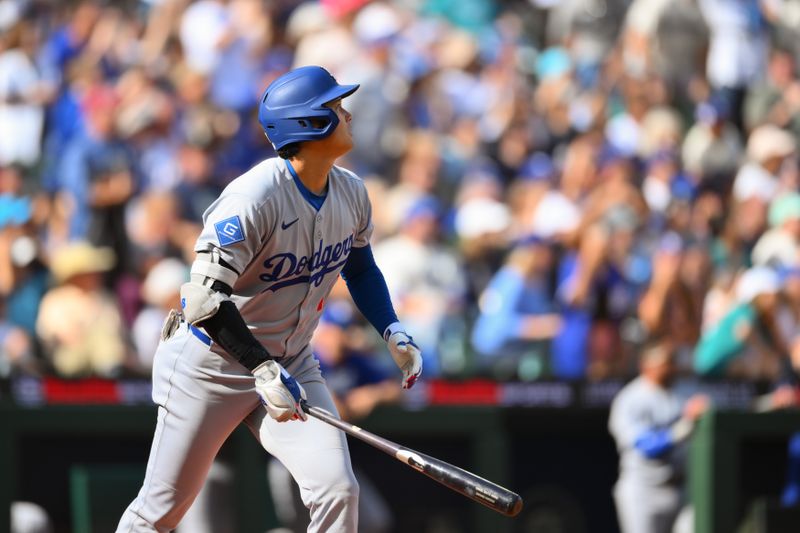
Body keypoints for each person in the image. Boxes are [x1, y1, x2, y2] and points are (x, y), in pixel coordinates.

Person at [115, 65, 422, 533]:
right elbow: (202, 301)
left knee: (338, 489)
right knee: (160, 511)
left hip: (292, 361)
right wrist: (259, 366)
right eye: (336, 107)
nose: (348, 113)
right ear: (310, 124)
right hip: (212, 365)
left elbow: (360, 268)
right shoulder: (254, 196)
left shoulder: (352, 192)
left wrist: (391, 328)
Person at [609, 339, 709, 533]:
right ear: (647, 365)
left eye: (673, 362)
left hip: (682, 489)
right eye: (666, 363)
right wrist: (682, 429)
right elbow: (646, 447)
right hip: (644, 492)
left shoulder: (684, 391)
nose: (672, 368)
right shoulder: (630, 399)